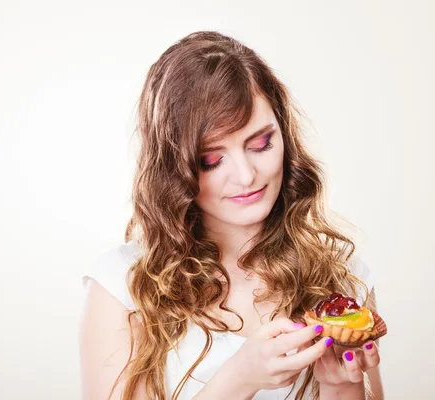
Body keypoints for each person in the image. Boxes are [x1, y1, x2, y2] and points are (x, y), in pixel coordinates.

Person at [79, 30, 384, 400]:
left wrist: (342, 384)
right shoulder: (122, 287)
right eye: (212, 159)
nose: (246, 175)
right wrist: (241, 377)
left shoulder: (341, 278)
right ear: (174, 170)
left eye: (261, 144)